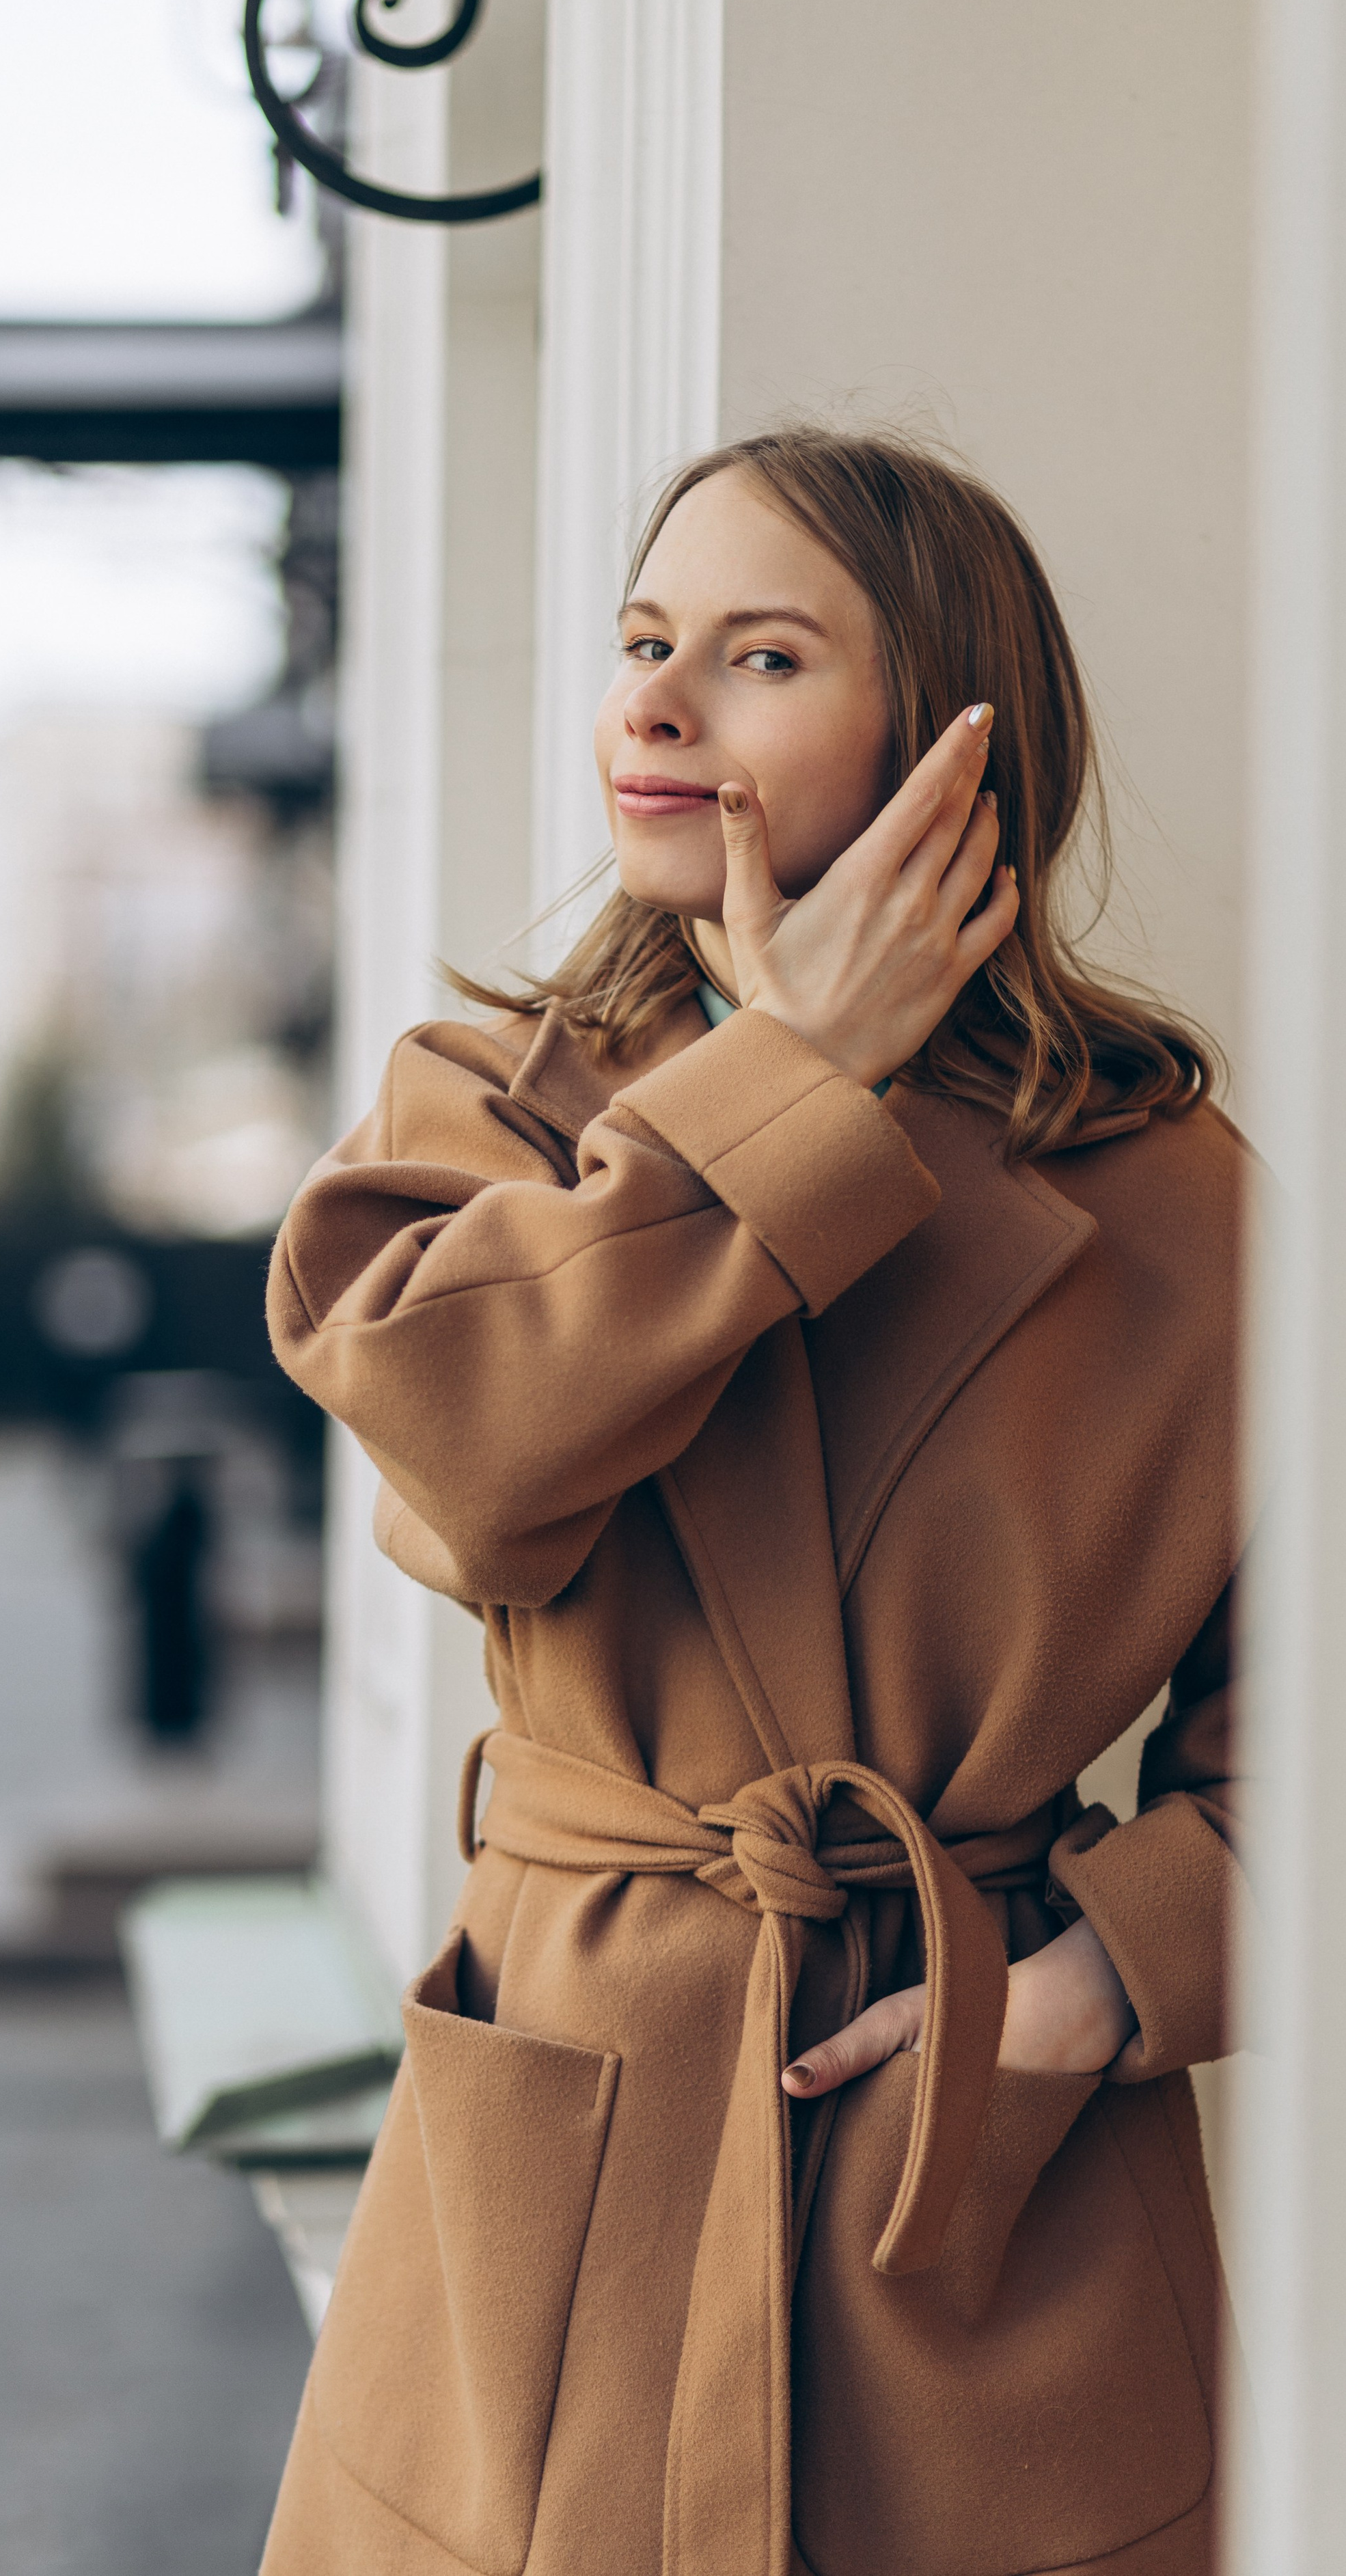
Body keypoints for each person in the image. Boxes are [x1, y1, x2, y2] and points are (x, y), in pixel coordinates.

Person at [261, 428, 1243, 2576]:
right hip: (582, 2133)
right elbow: (459, 1450)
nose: (658, 705)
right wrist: (790, 1083)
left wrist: (1100, 1983)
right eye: (644, 644)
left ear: (956, 744)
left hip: (982, 2173)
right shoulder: (490, 1108)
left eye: (761, 655)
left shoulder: (1175, 1196)